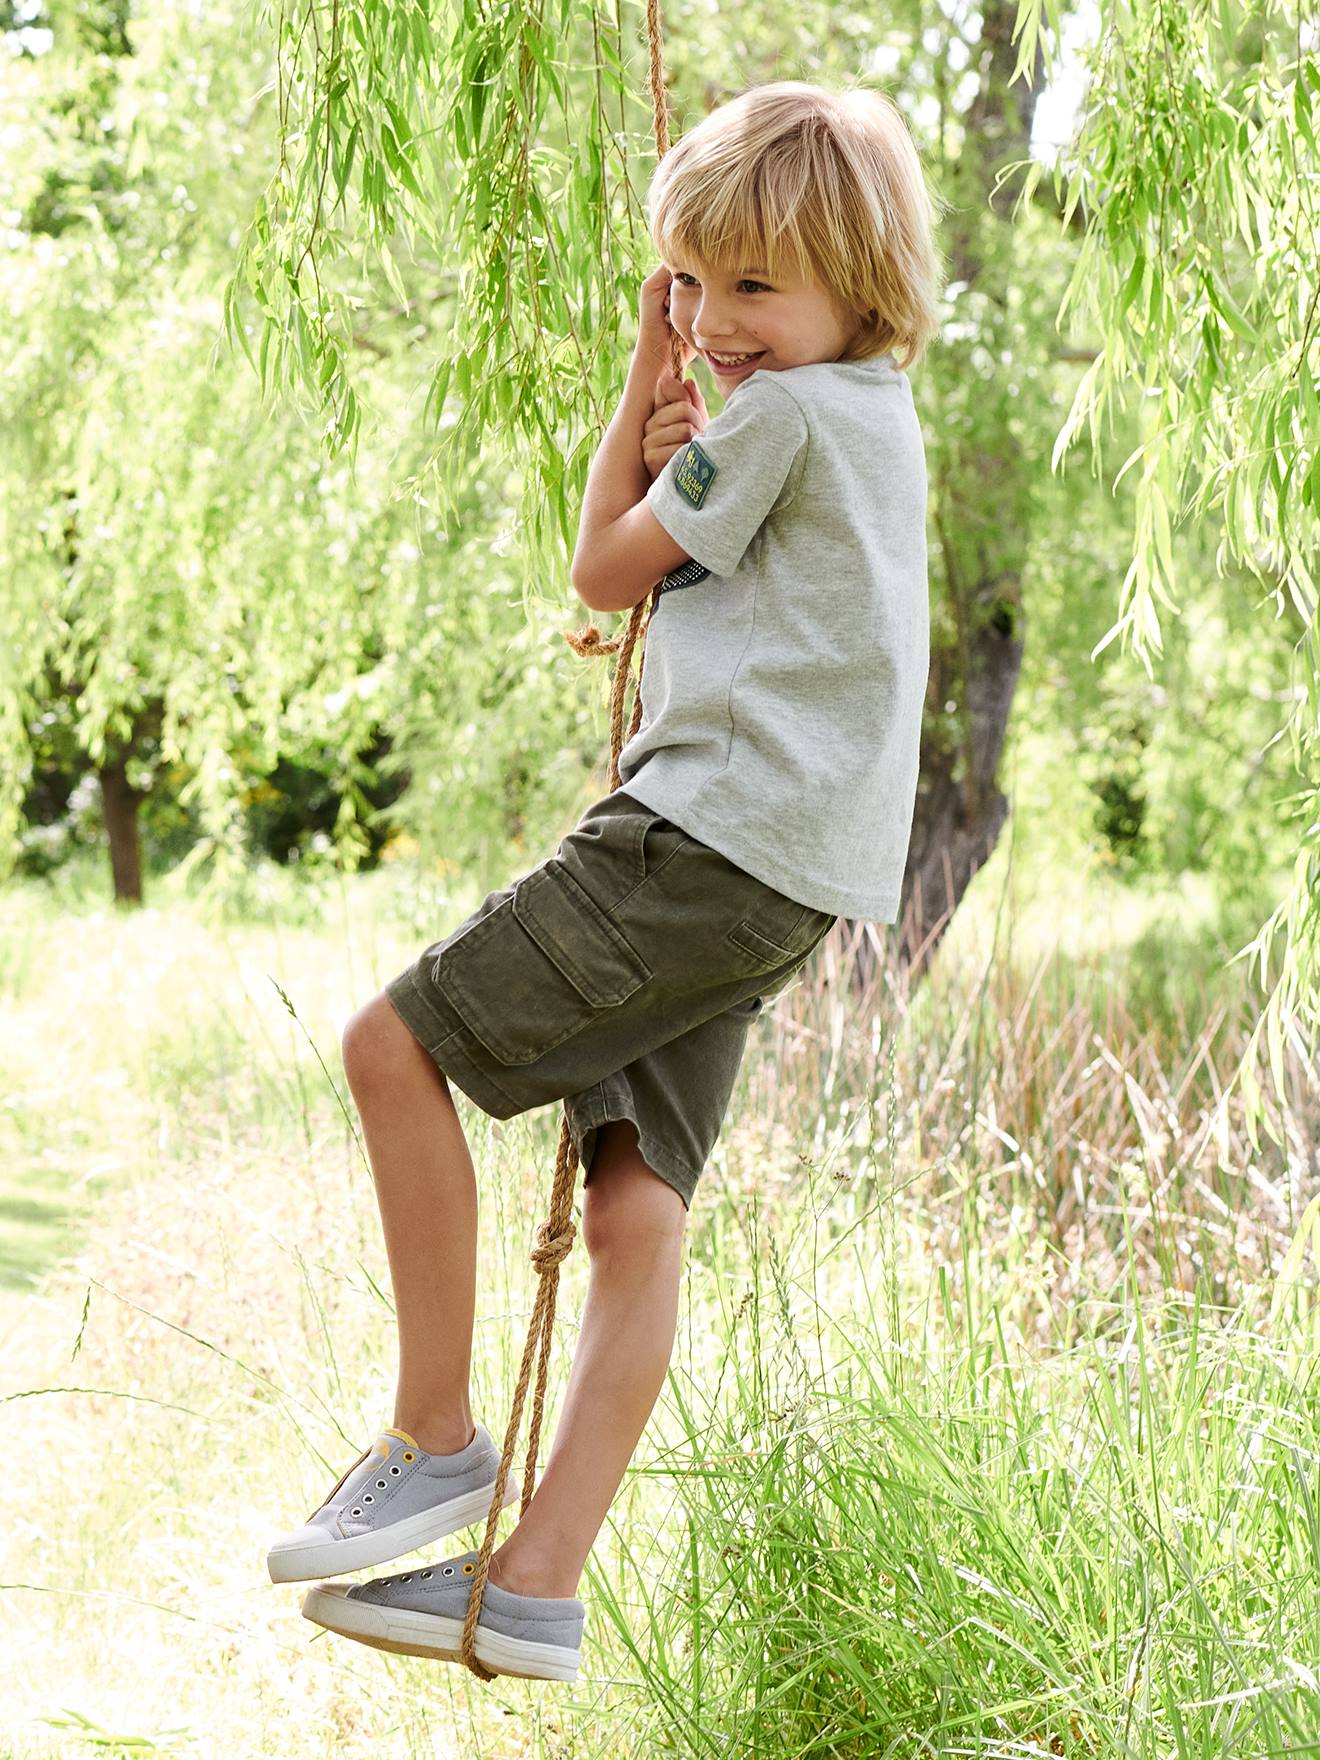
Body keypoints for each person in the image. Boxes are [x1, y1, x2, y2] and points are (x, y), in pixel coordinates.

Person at [267, 77, 942, 1682]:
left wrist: (645, 382)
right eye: (691, 286)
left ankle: (435, 1434)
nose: (715, 318)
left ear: (864, 286)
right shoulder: (869, 422)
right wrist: (689, 429)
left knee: (389, 1044)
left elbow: (601, 567)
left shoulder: (775, 417)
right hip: (794, 876)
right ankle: (541, 1582)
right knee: (639, 1214)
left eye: (753, 288)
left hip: (703, 839)